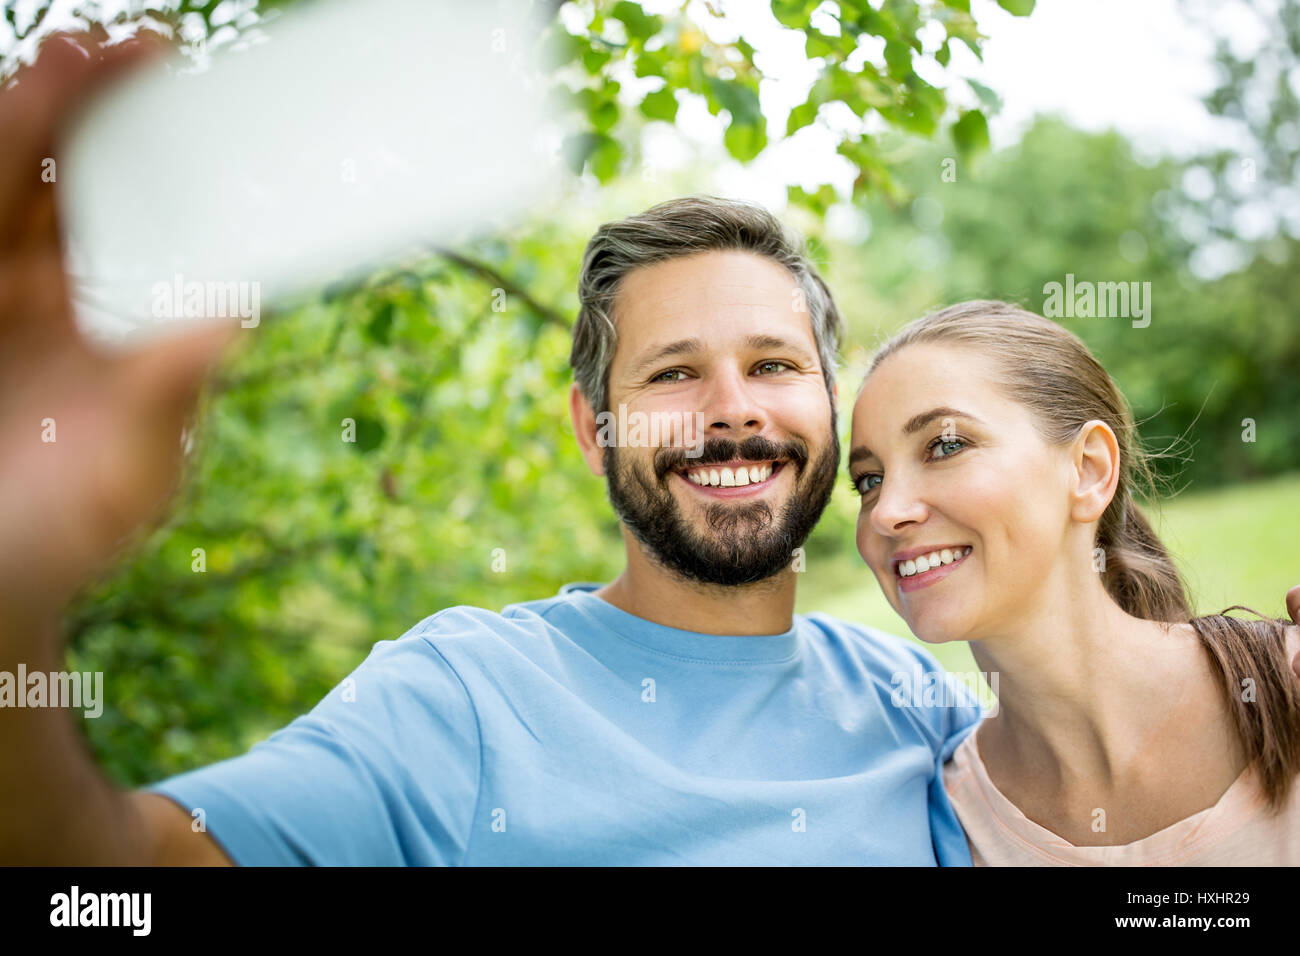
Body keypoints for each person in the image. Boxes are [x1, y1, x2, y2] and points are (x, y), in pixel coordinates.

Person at [2, 31, 1296, 867]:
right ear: (593, 425)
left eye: (775, 367)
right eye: (675, 374)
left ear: (828, 411)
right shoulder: (460, 701)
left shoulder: (926, 722)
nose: (732, 409)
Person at [847, 300, 1300, 865]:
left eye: (945, 446)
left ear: (1088, 469)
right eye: (868, 481)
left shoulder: (1287, 688)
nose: (887, 511)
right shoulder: (942, 826)